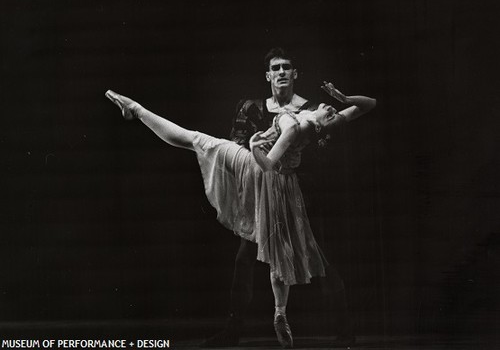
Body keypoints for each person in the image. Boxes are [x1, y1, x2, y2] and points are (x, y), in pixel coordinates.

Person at [105, 79, 376, 347]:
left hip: (261, 174)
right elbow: (369, 105)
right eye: (330, 111)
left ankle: (137, 110)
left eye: (331, 114)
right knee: (278, 252)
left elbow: (268, 165)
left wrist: (256, 146)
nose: (331, 110)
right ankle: (279, 313)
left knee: (196, 140)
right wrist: (344, 98)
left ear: (321, 126)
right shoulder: (318, 119)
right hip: (279, 181)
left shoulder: (298, 126)